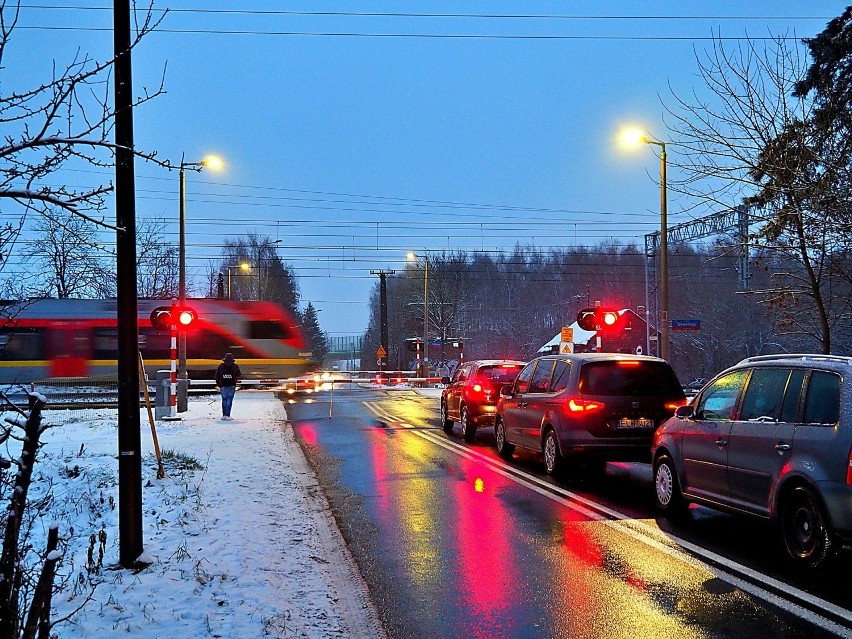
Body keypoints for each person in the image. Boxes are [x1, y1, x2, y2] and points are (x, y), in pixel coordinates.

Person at [215, 352, 242, 420]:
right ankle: (228, 415)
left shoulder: (221, 366)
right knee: (229, 400)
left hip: (223, 386)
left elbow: (217, 376)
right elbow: (239, 374)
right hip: (231, 385)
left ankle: (224, 415)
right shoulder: (235, 366)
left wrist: (219, 384)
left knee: (224, 400)